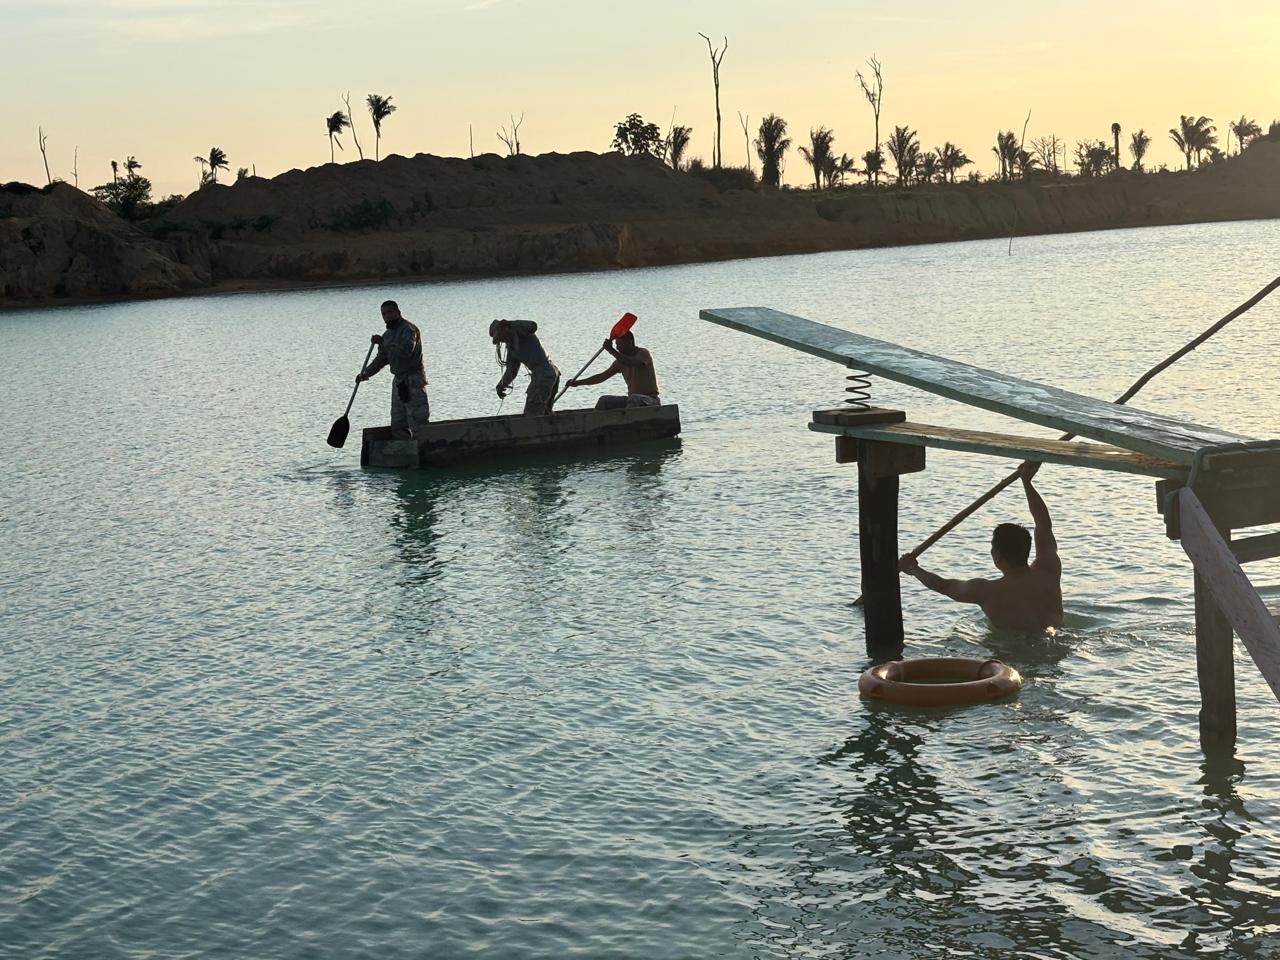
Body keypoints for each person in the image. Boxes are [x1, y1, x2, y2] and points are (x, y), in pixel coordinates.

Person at [898, 462, 1063, 632]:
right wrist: (1027, 482)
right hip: (1056, 646)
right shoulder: (1049, 569)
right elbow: (1043, 523)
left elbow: (943, 586)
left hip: (1014, 653)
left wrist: (913, 568)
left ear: (998, 556)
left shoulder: (986, 592)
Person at [356, 300, 430, 440]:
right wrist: (365, 373)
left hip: (414, 380)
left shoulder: (409, 329)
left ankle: (424, 450)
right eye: (384, 314)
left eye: (390, 312)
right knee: (398, 423)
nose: (387, 316)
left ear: (398, 312)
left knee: (417, 421)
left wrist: (383, 342)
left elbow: (405, 351)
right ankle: (405, 452)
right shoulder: (388, 335)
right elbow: (381, 360)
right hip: (398, 381)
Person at [565, 331, 661, 409]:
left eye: (619, 344)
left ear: (629, 342)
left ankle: (626, 425)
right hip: (632, 400)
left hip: (650, 401)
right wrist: (577, 383)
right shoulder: (619, 362)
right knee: (604, 401)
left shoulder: (643, 353)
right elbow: (601, 377)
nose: (617, 347)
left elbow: (630, 362)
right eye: (616, 345)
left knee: (634, 399)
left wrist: (611, 350)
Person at [491, 319, 560, 415]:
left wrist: (509, 323)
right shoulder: (512, 349)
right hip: (546, 373)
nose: (502, 341)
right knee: (544, 412)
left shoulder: (520, 331)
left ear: (504, 329)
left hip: (544, 374)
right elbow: (512, 371)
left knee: (532, 412)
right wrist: (501, 385)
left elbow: (533, 326)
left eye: (501, 337)